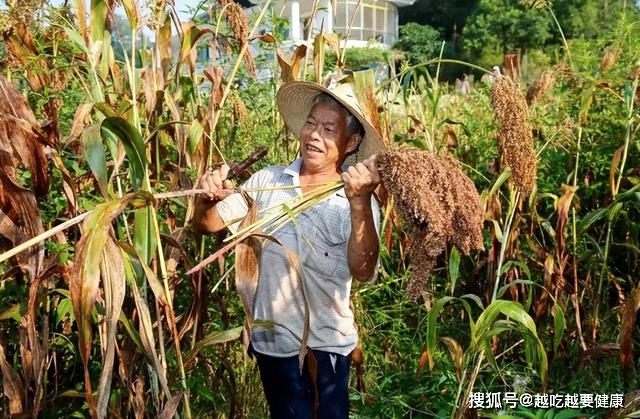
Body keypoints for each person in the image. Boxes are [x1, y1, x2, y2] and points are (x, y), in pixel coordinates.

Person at [193, 79, 384, 419]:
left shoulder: (355, 200)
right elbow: (209, 223)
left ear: (351, 141)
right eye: (311, 123)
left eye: (328, 129)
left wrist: (359, 203)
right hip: (274, 346)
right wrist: (204, 199)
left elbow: (364, 270)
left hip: (327, 348)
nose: (314, 135)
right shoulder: (267, 181)